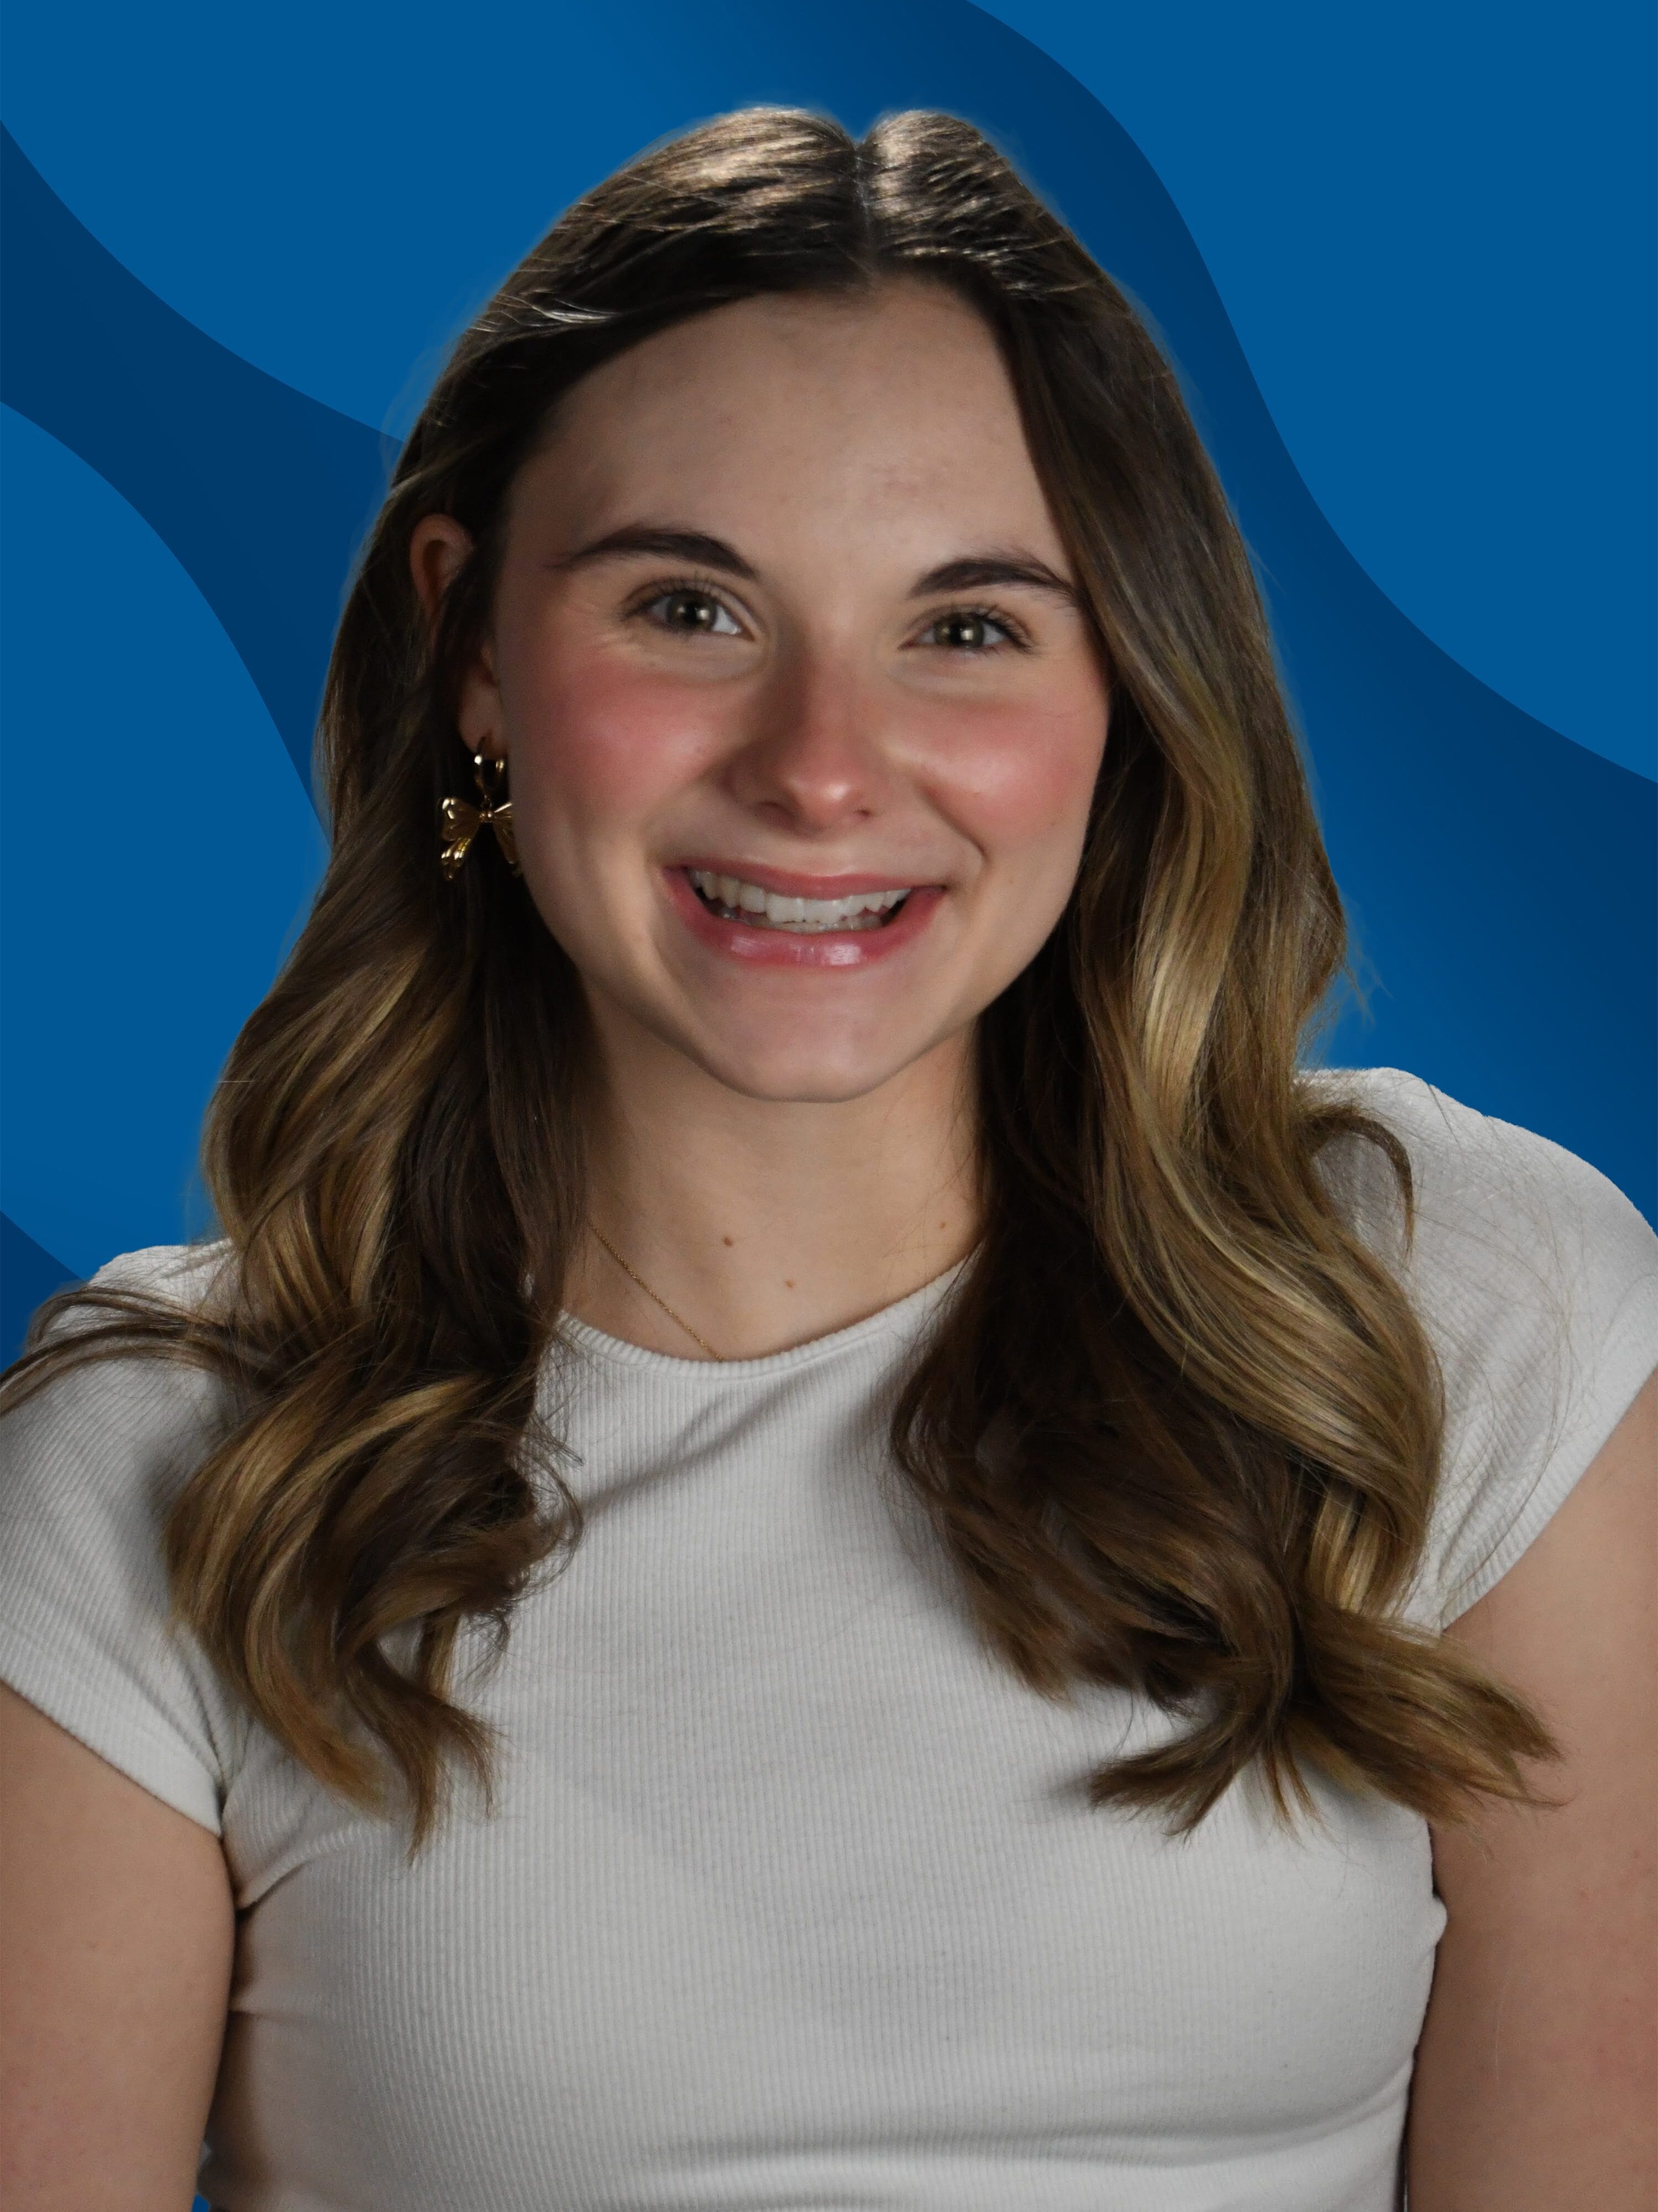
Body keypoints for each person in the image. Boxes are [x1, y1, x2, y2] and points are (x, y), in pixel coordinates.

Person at [1, 104, 1652, 2212]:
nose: (820, 770)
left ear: (1127, 692)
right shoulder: (162, 1476)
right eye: (688, 607)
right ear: (473, 651)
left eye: (967, 626)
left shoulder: (1462, 1318)